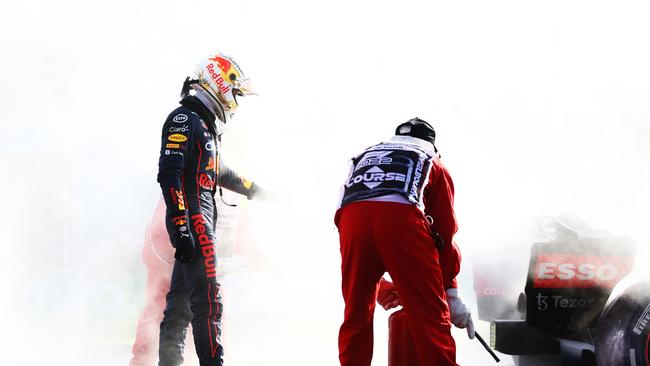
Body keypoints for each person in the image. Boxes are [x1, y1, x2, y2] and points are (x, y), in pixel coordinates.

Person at [334, 117, 474, 366]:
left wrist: (382, 287)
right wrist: (451, 294)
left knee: (356, 315)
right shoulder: (432, 160)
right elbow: (445, 232)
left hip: (351, 222)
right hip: (402, 221)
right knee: (430, 317)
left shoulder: (366, 155)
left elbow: (362, 224)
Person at [156, 52, 261, 366]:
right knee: (208, 303)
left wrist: (257, 191)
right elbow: (169, 174)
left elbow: (218, 171)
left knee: (180, 308)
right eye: (236, 93)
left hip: (197, 225)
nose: (236, 102)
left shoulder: (203, 123)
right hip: (196, 224)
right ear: (219, 82)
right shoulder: (184, 118)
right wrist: (183, 228)